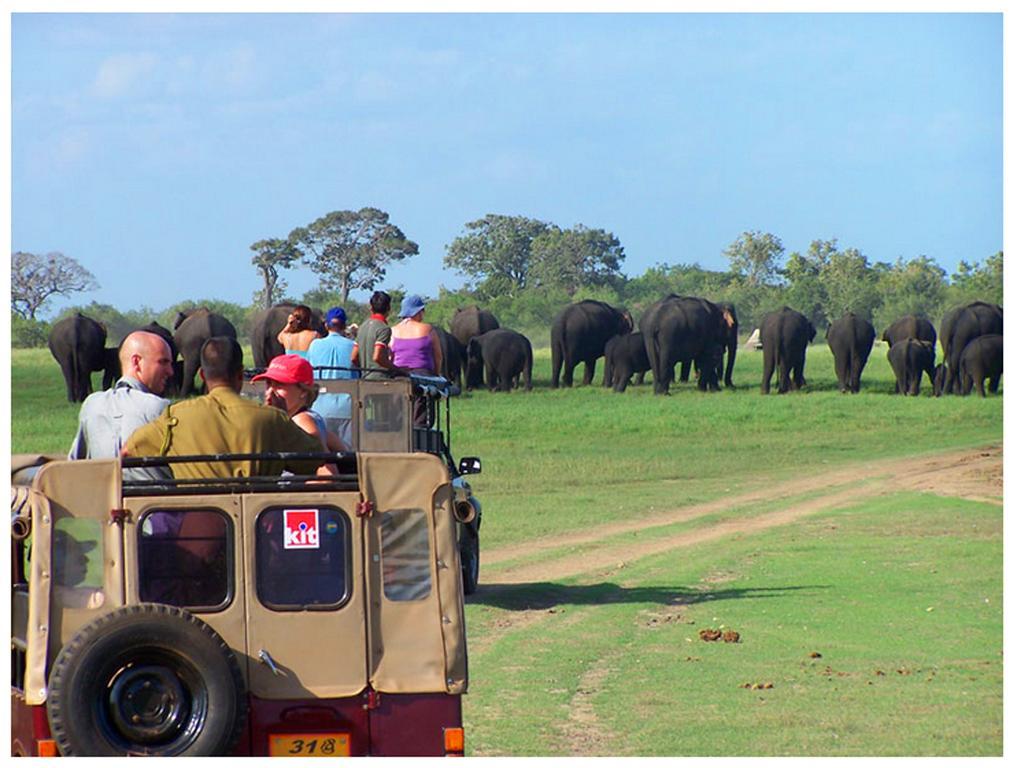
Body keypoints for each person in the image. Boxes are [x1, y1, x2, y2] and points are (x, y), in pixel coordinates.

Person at [123, 337, 336, 479]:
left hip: (197, 535)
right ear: (240, 374)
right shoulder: (272, 419)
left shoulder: (174, 417)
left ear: (203, 375)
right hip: (258, 527)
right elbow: (316, 458)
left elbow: (128, 452)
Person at [69, 330, 175, 481]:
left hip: (104, 501)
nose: (170, 371)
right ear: (137, 362)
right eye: (163, 362)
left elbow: (75, 463)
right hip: (155, 502)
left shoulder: (91, 405)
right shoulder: (162, 408)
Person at [254, 354, 346, 452]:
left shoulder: (302, 421)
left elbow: (326, 466)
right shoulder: (306, 418)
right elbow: (338, 449)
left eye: (279, 385)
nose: (270, 392)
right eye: (269, 384)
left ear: (303, 391)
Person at [306, 306, 358, 447]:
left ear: (326, 325)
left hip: (320, 407)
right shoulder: (354, 346)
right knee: (348, 455)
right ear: (344, 325)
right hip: (348, 408)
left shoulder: (314, 345)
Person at [391, 294, 443, 427]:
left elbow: (389, 356)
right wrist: (436, 375)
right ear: (418, 312)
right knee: (422, 419)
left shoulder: (393, 331)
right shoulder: (427, 329)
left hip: (399, 377)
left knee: (399, 417)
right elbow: (438, 356)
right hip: (423, 377)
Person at [354, 291, 406, 379]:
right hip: (380, 379)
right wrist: (396, 369)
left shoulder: (362, 327)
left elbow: (353, 357)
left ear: (371, 308)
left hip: (364, 379)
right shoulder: (384, 328)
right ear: (388, 308)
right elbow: (377, 357)